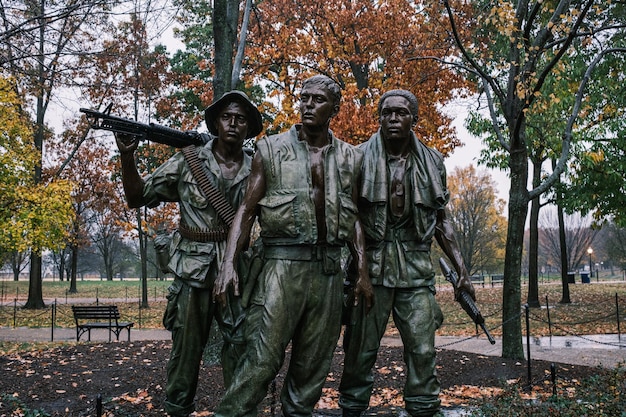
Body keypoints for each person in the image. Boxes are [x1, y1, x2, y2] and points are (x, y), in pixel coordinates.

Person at [212, 74, 374, 417]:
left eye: (317, 99)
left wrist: (361, 269)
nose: (308, 105)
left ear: (335, 108)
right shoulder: (270, 149)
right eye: (304, 98)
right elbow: (246, 210)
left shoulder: (351, 157)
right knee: (261, 360)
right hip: (282, 268)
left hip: (328, 271)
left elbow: (355, 217)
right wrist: (228, 263)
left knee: (312, 368)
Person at [115, 90, 263, 417]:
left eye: (241, 119)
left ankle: (239, 411)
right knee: (185, 354)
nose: (234, 123)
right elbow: (137, 196)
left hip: (238, 271)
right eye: (227, 116)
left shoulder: (258, 168)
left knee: (241, 349)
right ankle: (178, 409)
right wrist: (127, 156)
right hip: (191, 271)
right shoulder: (188, 161)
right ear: (215, 122)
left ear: (249, 127)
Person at [338, 89, 476, 417]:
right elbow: (350, 216)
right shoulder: (357, 158)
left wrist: (462, 269)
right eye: (387, 113)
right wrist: (360, 271)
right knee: (359, 351)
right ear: (379, 118)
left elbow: (443, 222)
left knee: (423, 349)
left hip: (415, 267)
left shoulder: (433, 161)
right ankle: (352, 408)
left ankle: (424, 407)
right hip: (371, 264)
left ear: (413, 118)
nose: (393, 119)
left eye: (401, 113)